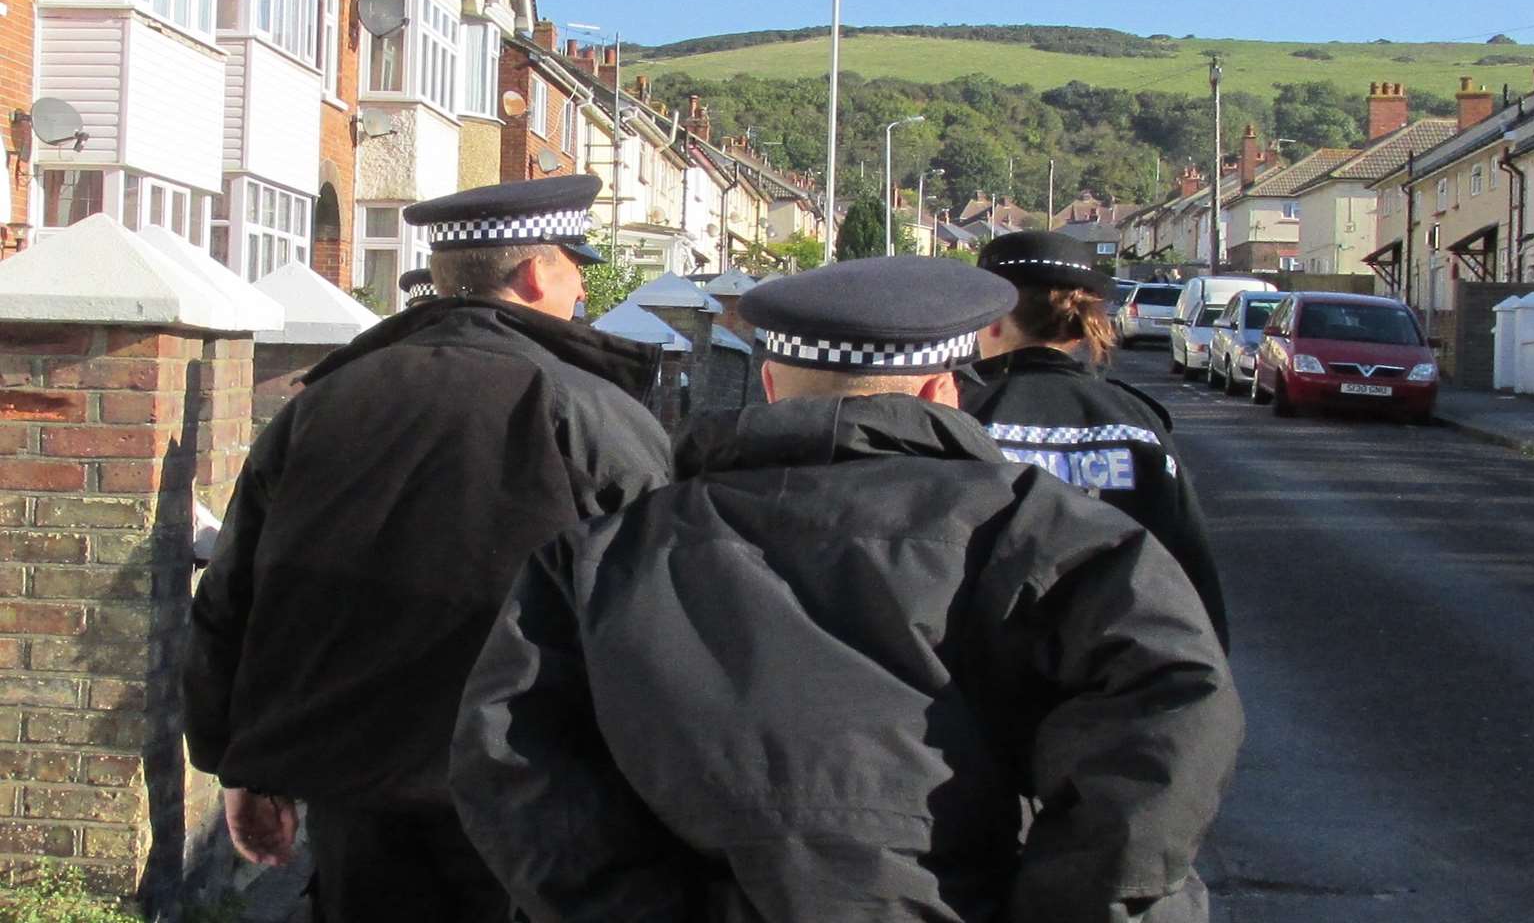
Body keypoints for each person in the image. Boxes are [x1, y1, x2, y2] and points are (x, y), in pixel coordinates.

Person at [450, 255, 1243, 922]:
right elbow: (1168, 729)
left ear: (766, 381)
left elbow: (513, 765)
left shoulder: (602, 554)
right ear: (943, 391)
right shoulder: (1052, 533)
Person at [183, 175, 674, 923]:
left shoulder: (322, 402)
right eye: (578, 266)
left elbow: (234, 595)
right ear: (538, 272)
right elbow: (659, 620)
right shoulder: (593, 415)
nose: (581, 289)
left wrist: (237, 762)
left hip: (358, 814)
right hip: (539, 809)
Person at [961, 231, 1228, 649]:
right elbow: (1187, 570)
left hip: (973, 671)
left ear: (991, 316)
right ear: (1085, 323)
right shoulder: (1139, 425)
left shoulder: (956, 413)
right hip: (1113, 670)